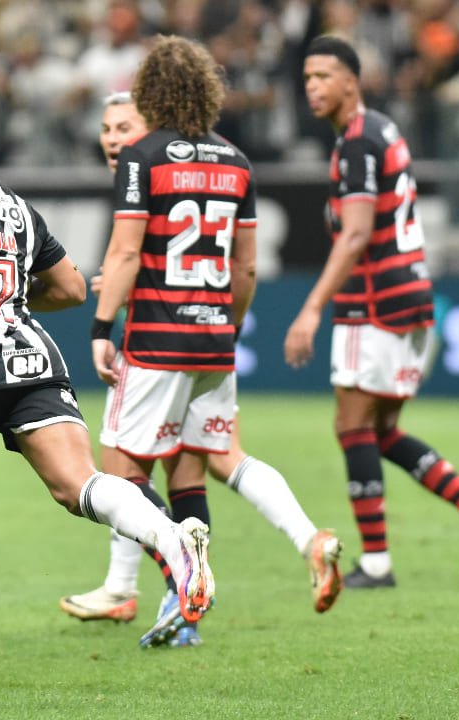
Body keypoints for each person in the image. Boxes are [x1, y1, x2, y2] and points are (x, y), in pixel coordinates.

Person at [0, 91, 214, 679]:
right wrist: (9, 305)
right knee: (79, 485)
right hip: (34, 360)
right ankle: (172, 538)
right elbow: (73, 289)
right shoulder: (19, 206)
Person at [62, 88, 342, 649]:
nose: (115, 137)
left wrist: (106, 315)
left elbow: (128, 253)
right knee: (203, 465)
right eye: (107, 128)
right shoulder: (229, 161)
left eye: (126, 126)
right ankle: (291, 548)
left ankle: (158, 586)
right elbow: (242, 265)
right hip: (212, 336)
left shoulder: (151, 165)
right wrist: (225, 325)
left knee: (120, 470)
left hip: (159, 340)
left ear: (156, 120)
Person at [284, 35, 459, 589]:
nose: (312, 86)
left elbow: (358, 233)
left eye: (323, 76)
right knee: (381, 430)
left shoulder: (358, 142)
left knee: (351, 425)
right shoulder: (384, 129)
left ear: (351, 82)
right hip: (410, 295)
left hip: (374, 301)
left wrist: (311, 309)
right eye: (307, 77)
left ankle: (379, 564)